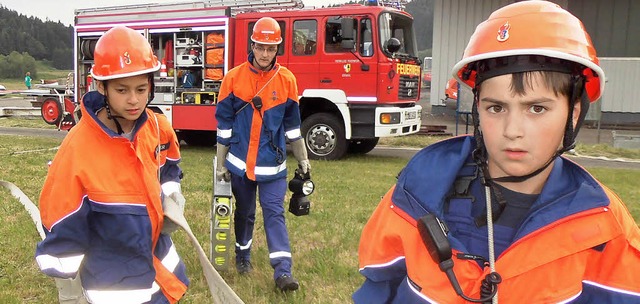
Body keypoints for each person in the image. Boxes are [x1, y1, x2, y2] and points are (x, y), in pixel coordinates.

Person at [354, 1, 640, 303]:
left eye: (537, 108)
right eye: (496, 107)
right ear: (478, 109)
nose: (512, 129)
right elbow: (377, 286)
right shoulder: (414, 197)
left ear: (573, 113)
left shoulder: (603, 228)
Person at [35, 26, 189, 303]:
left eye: (142, 89)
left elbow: (168, 166)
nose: (134, 100)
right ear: (101, 86)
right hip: (114, 288)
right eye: (122, 90)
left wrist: (171, 195)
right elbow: (62, 225)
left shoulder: (157, 126)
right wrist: (69, 295)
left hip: (162, 278)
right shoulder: (78, 149)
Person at [215, 16, 310, 292]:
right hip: (239, 165)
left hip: (273, 167)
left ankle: (283, 273)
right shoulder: (233, 79)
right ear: (252, 45)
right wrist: (221, 164)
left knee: (274, 214)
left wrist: (303, 159)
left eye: (270, 49)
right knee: (244, 213)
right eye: (260, 47)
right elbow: (224, 125)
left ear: (277, 49)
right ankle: (242, 255)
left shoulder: (287, 81)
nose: (265, 54)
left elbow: (293, 128)